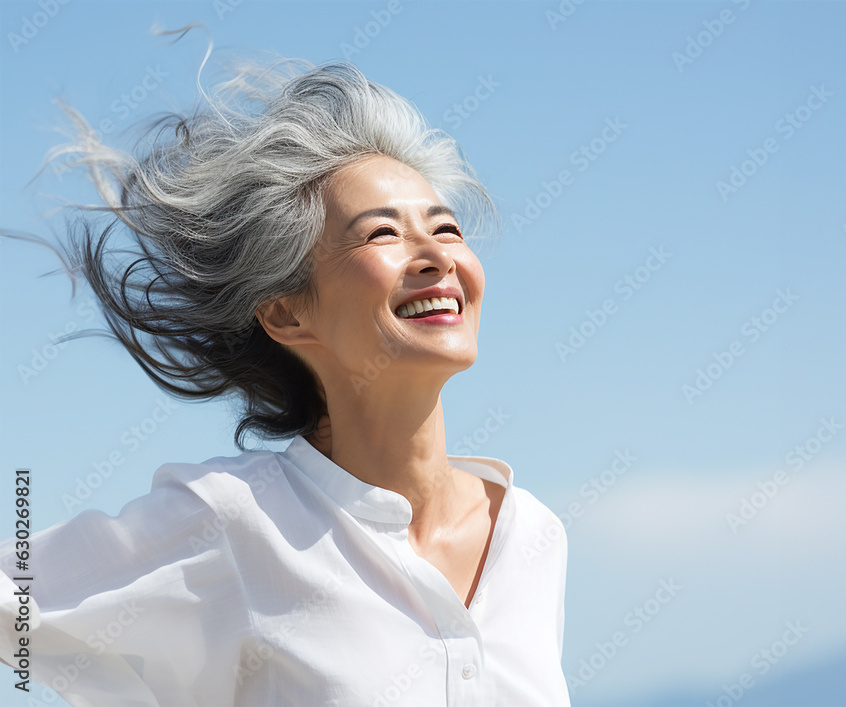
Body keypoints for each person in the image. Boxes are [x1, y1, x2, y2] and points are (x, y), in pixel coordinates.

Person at [0, 48, 571, 706]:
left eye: (446, 227)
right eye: (382, 233)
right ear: (286, 312)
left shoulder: (532, 534)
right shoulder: (233, 521)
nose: (436, 255)